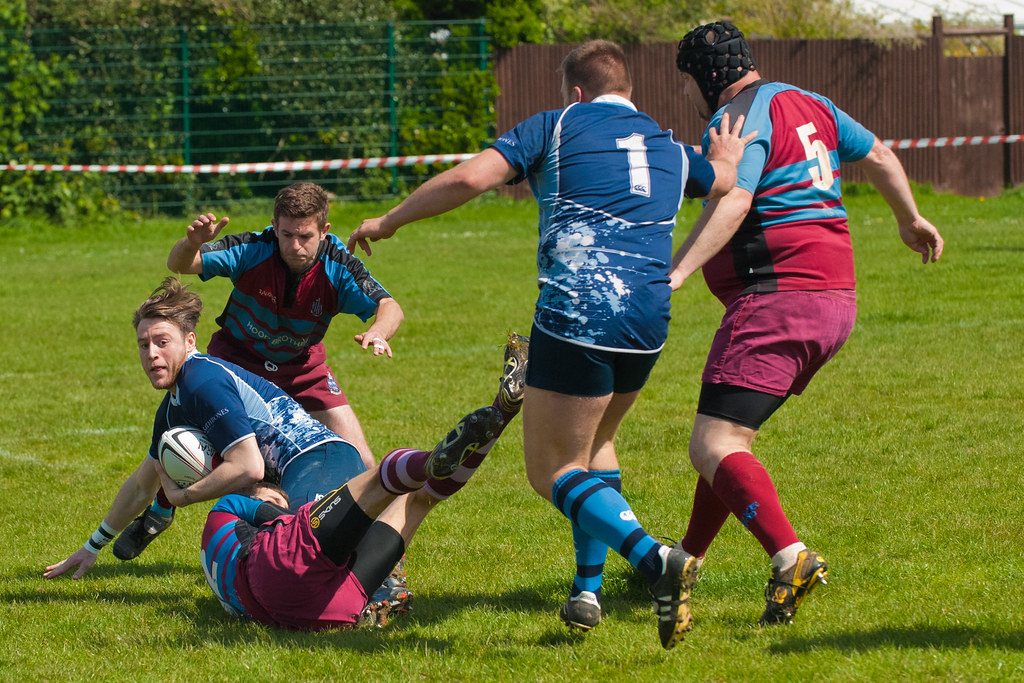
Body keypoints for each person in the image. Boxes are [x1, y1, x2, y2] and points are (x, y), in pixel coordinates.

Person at [346, 39, 753, 649]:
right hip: (648, 315)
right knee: (597, 445)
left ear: (576, 92)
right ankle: (587, 592)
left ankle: (655, 561)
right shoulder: (668, 145)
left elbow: (469, 177)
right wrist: (726, 155)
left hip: (579, 311)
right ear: (629, 91)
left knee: (551, 470)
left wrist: (389, 220)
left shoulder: (555, 124)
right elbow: (721, 181)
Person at [670, 21, 944, 627]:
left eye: (686, 83)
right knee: (730, 442)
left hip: (777, 299)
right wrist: (909, 219)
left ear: (703, 77)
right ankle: (685, 558)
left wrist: (678, 272)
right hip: (834, 300)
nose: (687, 96)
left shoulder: (734, 122)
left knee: (713, 444)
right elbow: (877, 153)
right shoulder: (811, 102)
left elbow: (734, 200)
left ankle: (789, 556)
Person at [42, 276, 527, 588]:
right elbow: (145, 478)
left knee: (321, 567)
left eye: (162, 342)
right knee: (388, 514)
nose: (152, 354)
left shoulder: (203, 379)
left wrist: (181, 499)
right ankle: (483, 426)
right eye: (144, 344)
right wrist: (93, 546)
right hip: (308, 465)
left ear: (189, 341)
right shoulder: (175, 402)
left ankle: (386, 579)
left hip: (315, 459)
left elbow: (248, 466)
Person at [185, 400, 505, 632]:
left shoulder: (222, 571)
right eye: (275, 497)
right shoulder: (226, 508)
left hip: (327, 613)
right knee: (380, 480)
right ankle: (433, 459)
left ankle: (500, 413)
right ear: (257, 494)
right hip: (277, 569)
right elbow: (277, 515)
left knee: (419, 502)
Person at [167, 181, 403, 470]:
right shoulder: (253, 248)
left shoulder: (338, 265)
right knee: (189, 448)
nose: (294, 246)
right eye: (286, 234)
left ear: (324, 231)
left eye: (305, 236)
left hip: (302, 369)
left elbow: (389, 306)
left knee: (362, 462)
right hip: (237, 364)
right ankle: (162, 504)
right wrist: (192, 243)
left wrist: (378, 331)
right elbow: (180, 264)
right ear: (274, 227)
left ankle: (362, 517)